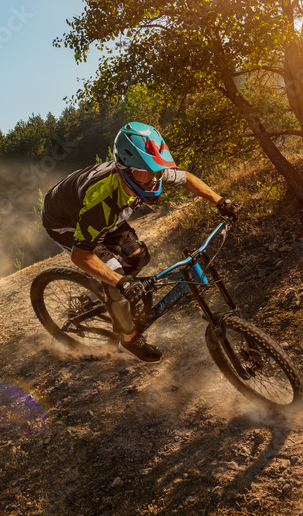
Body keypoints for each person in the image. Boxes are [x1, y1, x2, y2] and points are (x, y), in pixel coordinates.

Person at [41, 122, 238, 362]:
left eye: (155, 172)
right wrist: (120, 282)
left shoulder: (149, 169)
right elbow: (81, 256)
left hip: (105, 214)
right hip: (67, 220)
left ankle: (116, 296)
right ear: (124, 168)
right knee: (117, 281)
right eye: (143, 174)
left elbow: (186, 178)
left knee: (139, 256)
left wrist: (220, 201)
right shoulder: (102, 200)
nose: (152, 181)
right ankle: (129, 339)